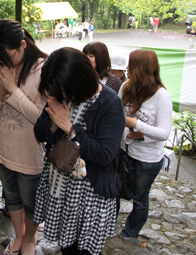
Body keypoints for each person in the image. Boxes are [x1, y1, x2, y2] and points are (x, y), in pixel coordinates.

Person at [33, 47, 125, 255]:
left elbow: (104, 154)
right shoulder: (61, 94)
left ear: (80, 80)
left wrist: (70, 128)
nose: (62, 95)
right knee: (67, 247)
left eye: (65, 90)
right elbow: (39, 132)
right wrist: (55, 125)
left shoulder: (109, 103)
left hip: (88, 197)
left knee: (83, 251)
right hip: (60, 189)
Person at [0, 19, 47, 255]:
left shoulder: (44, 69)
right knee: (12, 198)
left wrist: (13, 90)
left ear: (23, 45)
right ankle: (19, 236)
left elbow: (42, 119)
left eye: (7, 56)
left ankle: (30, 239)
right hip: (2, 148)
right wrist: (1, 93)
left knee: (31, 205)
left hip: (30, 154)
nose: (3, 62)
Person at [118, 49, 173, 239]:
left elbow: (164, 132)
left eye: (130, 65)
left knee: (140, 197)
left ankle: (130, 232)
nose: (127, 68)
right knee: (117, 189)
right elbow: (117, 116)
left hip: (147, 159)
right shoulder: (126, 87)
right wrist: (129, 134)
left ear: (141, 69)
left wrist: (136, 126)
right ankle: (107, 223)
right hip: (125, 152)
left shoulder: (162, 96)